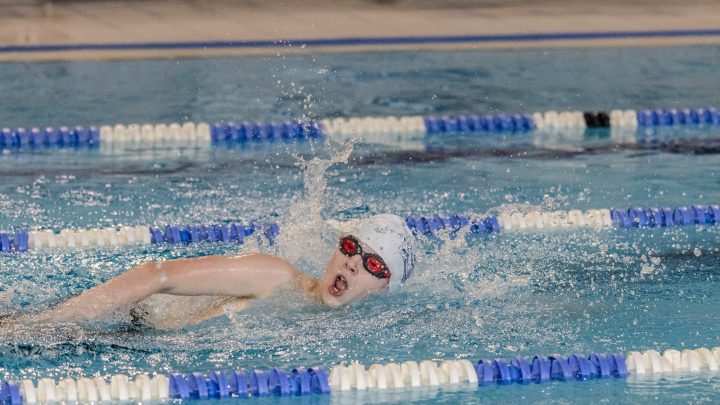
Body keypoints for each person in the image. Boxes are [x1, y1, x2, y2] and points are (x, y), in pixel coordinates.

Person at [21, 214, 415, 329]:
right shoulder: (276, 276)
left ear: (384, 287)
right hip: (110, 323)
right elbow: (157, 274)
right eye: (350, 247)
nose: (352, 262)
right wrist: (55, 320)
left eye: (372, 263)